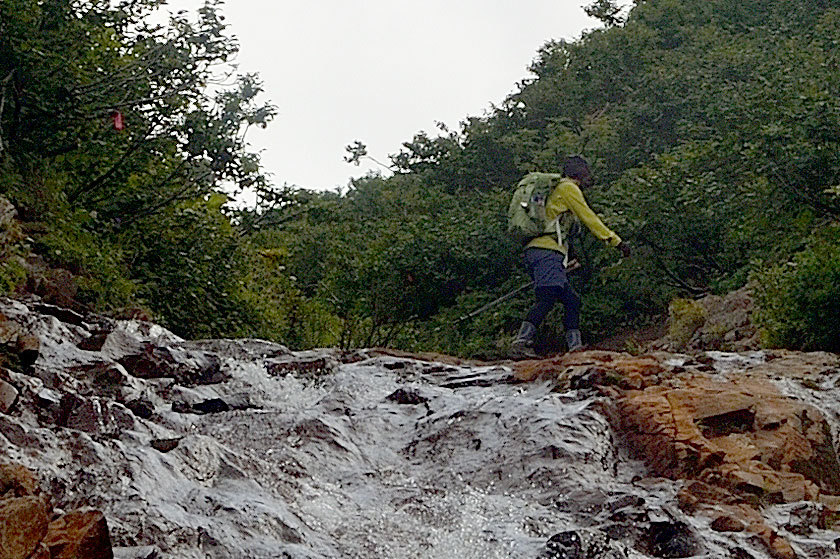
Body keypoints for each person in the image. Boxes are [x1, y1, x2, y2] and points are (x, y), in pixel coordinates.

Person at [511, 155, 629, 358]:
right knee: (548, 296)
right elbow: (589, 218)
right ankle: (520, 342)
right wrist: (616, 241)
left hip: (542, 252)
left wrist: (568, 257)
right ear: (580, 173)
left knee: (572, 300)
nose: (589, 176)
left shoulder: (557, 190)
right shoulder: (568, 188)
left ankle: (575, 348)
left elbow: (560, 227)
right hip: (546, 252)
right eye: (587, 172)